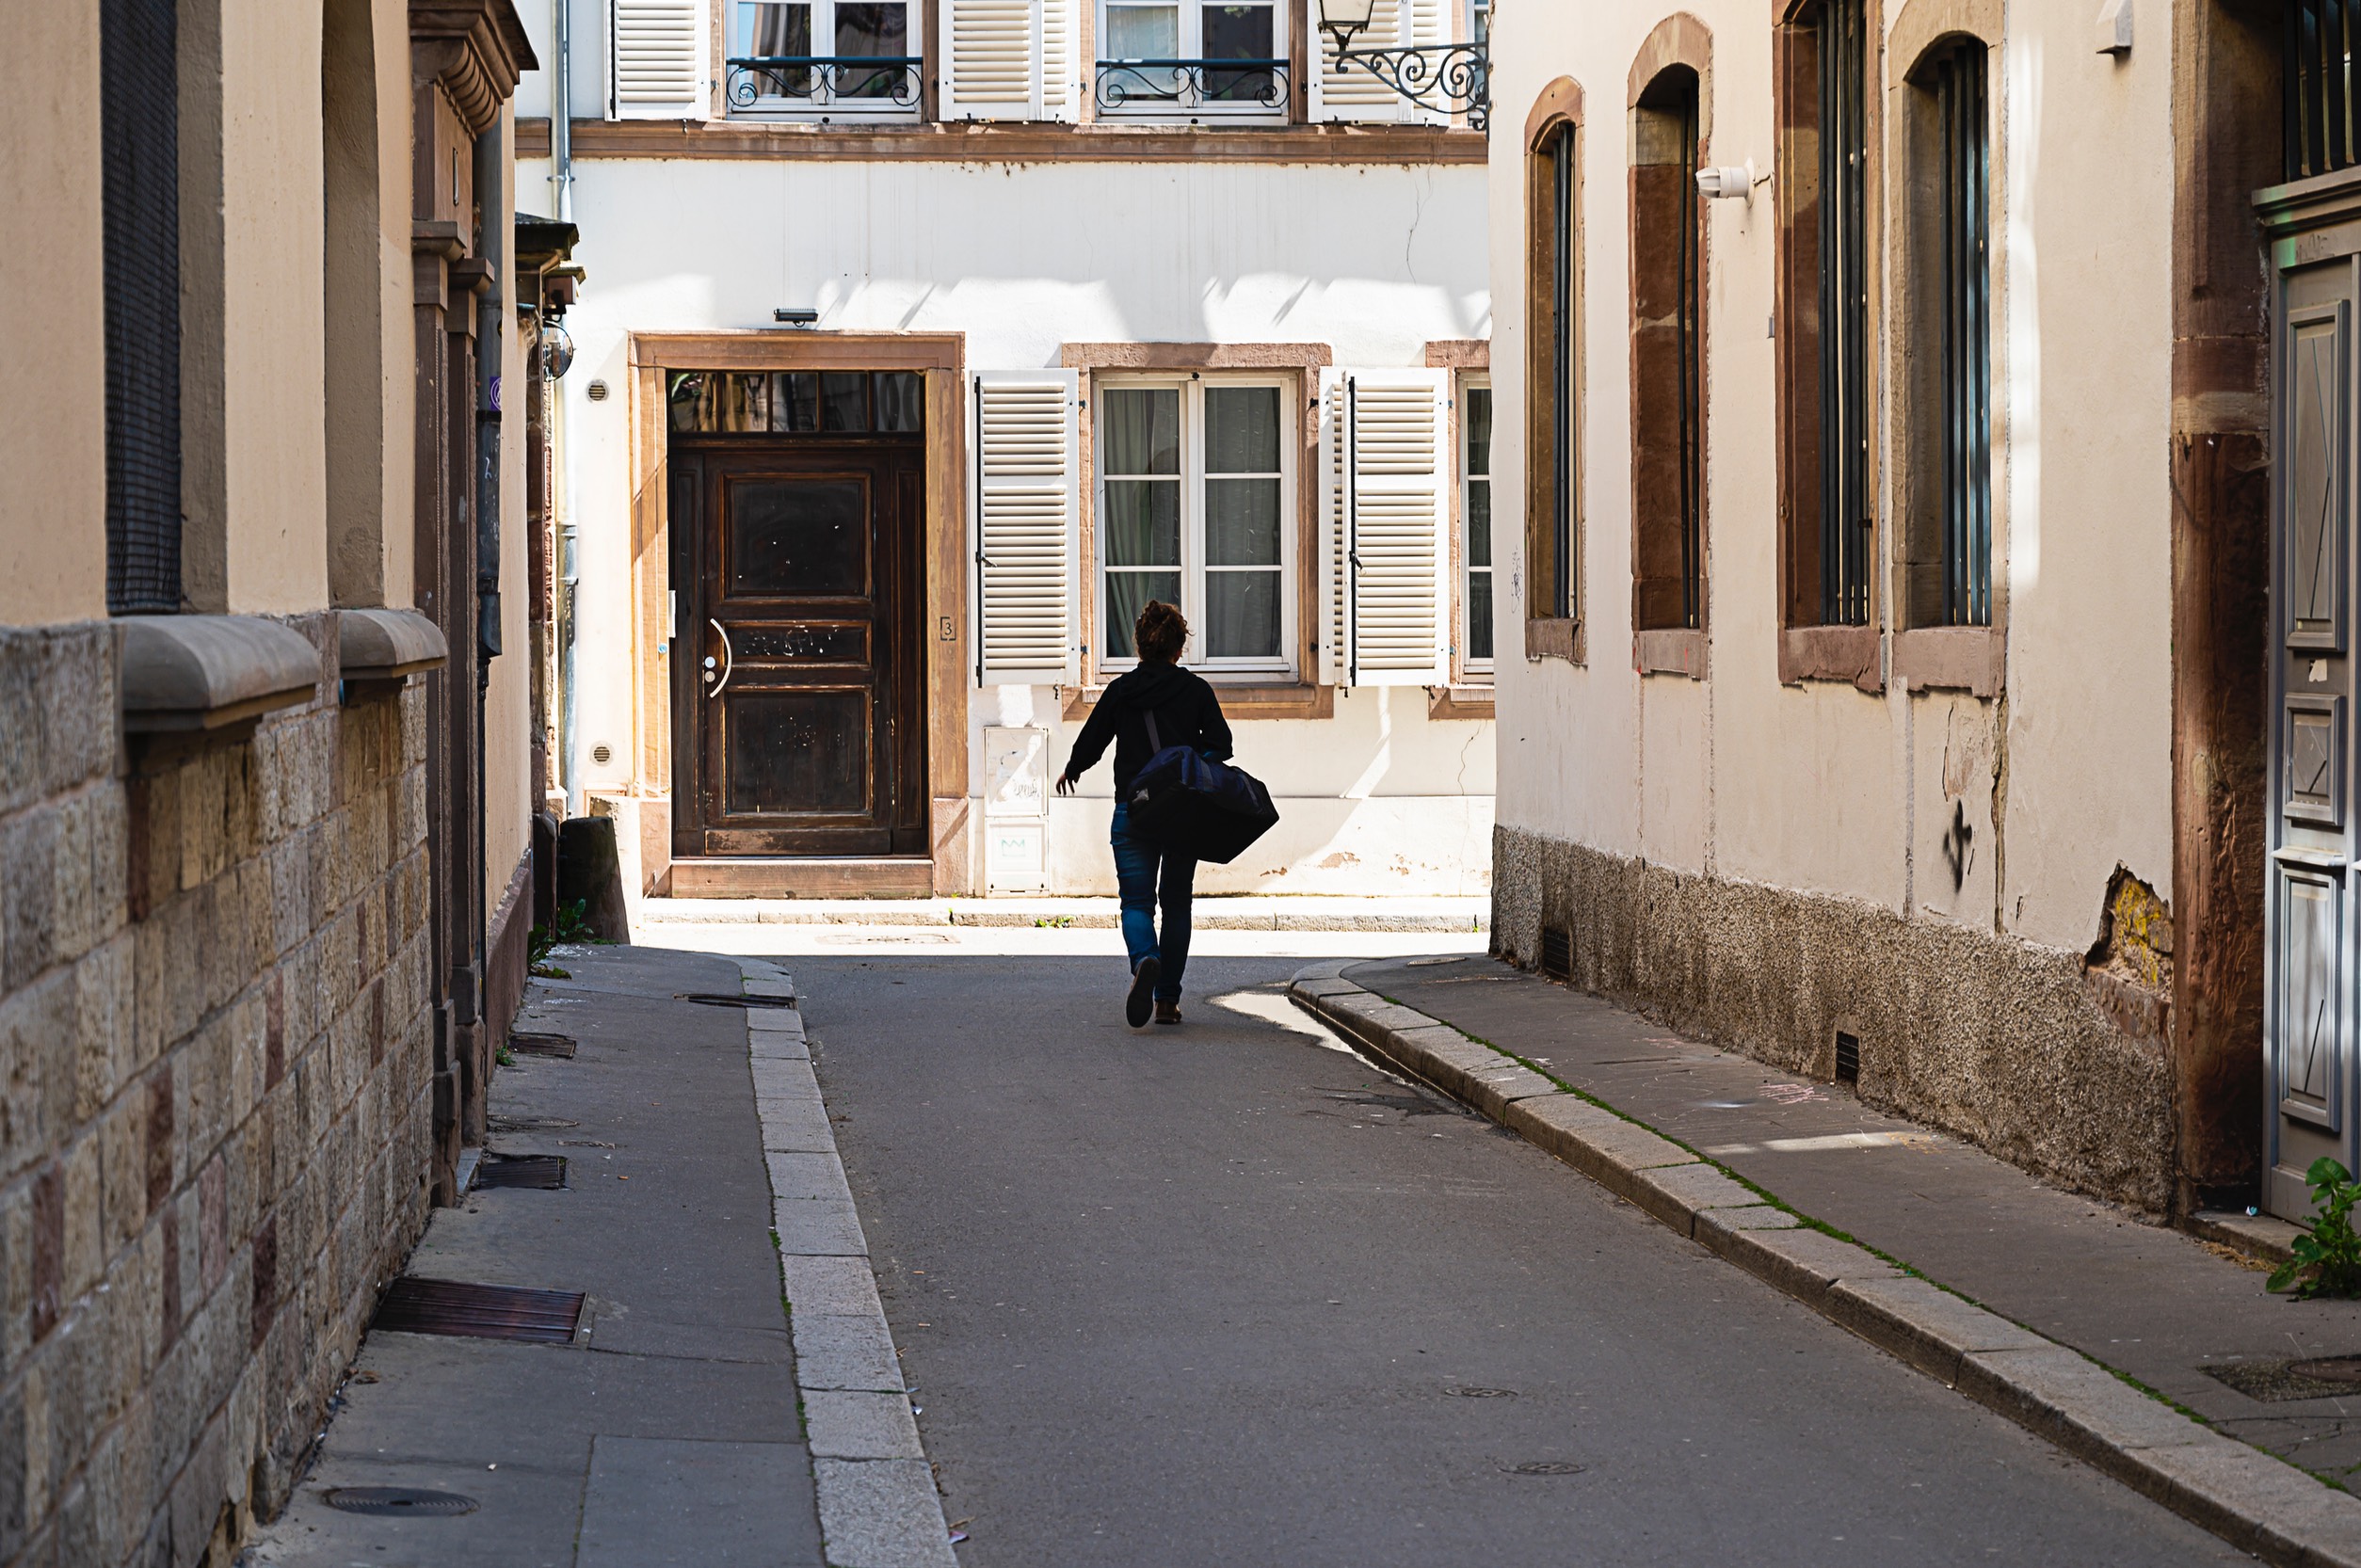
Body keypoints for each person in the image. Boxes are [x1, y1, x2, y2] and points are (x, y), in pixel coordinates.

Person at [1055, 600, 1234, 1030]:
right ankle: (1167, 1001)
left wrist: (1072, 769)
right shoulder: (1196, 691)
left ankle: (1145, 960)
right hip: (1183, 813)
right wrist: (1190, 763)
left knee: (1137, 902)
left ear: (1139, 646)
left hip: (1134, 809)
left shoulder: (1123, 691)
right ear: (1179, 648)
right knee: (1176, 902)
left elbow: (1093, 739)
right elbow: (1222, 745)